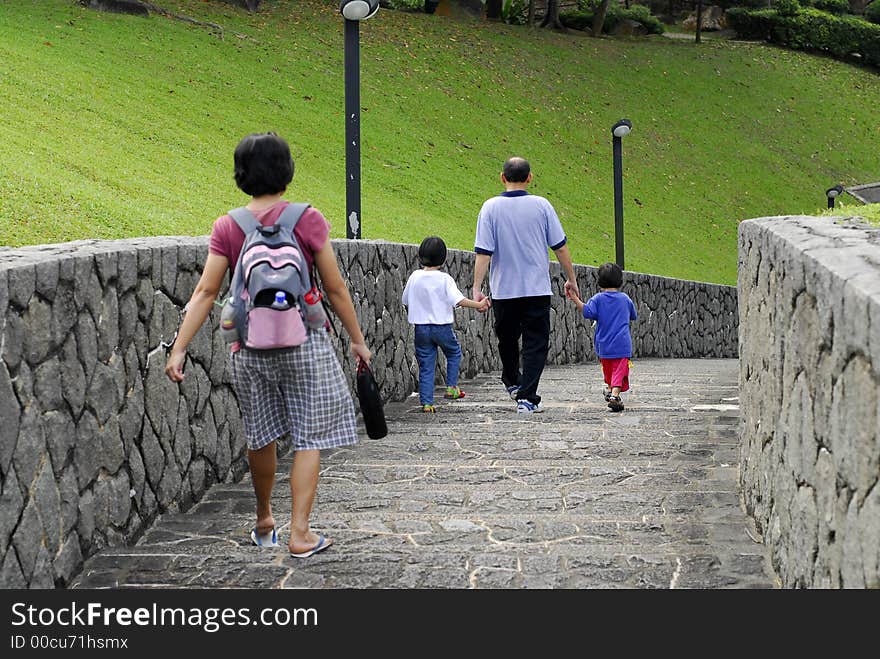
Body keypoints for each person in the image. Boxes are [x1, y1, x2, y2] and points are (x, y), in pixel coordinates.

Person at [165, 132, 371, 558]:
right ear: (287, 171)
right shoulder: (307, 219)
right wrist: (356, 339)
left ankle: (264, 521)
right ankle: (301, 533)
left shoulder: (229, 226)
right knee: (308, 437)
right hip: (306, 342)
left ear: (241, 174)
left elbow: (206, 291)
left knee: (261, 435)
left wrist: (180, 347)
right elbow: (334, 287)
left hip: (248, 346)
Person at [471, 156, 579, 414]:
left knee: (506, 338)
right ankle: (527, 397)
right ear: (529, 178)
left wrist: (476, 288)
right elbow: (560, 247)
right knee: (535, 344)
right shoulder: (542, 206)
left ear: (502, 177)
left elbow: (483, 253)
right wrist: (571, 279)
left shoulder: (490, 208)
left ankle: (512, 381)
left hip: (503, 290)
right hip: (536, 290)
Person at [402, 236, 489, 413]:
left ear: (420, 256)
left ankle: (427, 403)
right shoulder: (444, 279)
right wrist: (479, 304)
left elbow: (405, 299)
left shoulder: (415, 277)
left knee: (426, 365)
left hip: (421, 328)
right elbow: (459, 300)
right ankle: (451, 388)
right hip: (441, 327)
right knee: (454, 352)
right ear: (443, 259)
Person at [566, 262, 637, 413]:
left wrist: (575, 299)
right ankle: (615, 396)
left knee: (609, 369)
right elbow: (633, 315)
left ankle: (611, 389)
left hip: (603, 344)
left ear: (600, 281)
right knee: (620, 369)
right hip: (622, 344)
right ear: (620, 281)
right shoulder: (625, 299)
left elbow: (587, 312)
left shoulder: (597, 299)